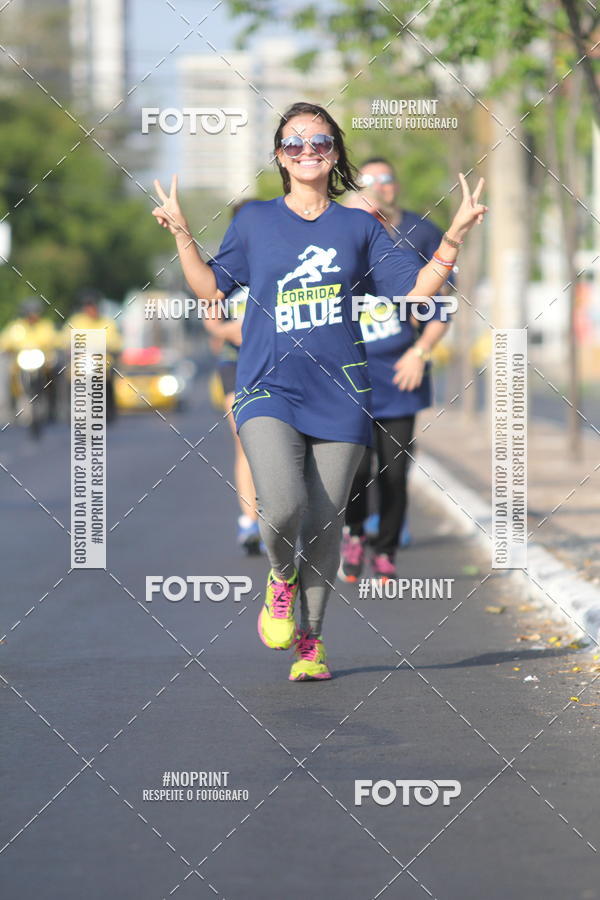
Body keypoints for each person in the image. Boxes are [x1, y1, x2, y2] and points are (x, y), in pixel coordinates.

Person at [151, 100, 487, 681]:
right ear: (280, 157)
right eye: (294, 143)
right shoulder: (254, 222)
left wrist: (452, 238)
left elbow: (414, 295)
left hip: (342, 394)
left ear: (335, 155)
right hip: (268, 385)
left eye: (320, 142)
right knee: (283, 506)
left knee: (325, 525)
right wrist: (183, 234)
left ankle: (312, 641)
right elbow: (211, 289)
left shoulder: (360, 226)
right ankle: (281, 577)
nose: (307, 151)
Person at [340, 159, 453, 581]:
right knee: (353, 469)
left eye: (385, 180)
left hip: (399, 379)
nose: (377, 188)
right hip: (349, 380)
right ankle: (353, 533)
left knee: (394, 470)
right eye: (367, 183)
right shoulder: (339, 247)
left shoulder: (412, 248)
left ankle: (385, 549)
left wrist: (419, 352)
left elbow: (440, 308)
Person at [202, 200, 262, 554]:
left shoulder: (281, 258)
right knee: (245, 438)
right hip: (236, 362)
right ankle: (249, 521)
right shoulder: (226, 268)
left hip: (278, 361)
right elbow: (211, 321)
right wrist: (231, 331)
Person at [62, 290, 123, 422]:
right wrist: (69, 347)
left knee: (109, 379)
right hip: (80, 363)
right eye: (88, 306)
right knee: (68, 377)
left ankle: (109, 409)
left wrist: (109, 347)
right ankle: (71, 409)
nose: (91, 309)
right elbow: (65, 339)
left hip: (101, 364)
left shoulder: (107, 322)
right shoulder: (76, 322)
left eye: (93, 306)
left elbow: (115, 341)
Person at [0, 298, 60, 419]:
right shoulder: (16, 327)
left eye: (35, 312)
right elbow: (4, 341)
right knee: (5, 368)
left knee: (57, 370)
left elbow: (56, 340)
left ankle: (54, 403)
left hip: (43, 364)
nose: (33, 316)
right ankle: (8, 406)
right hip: (20, 365)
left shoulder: (45, 326)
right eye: (30, 313)